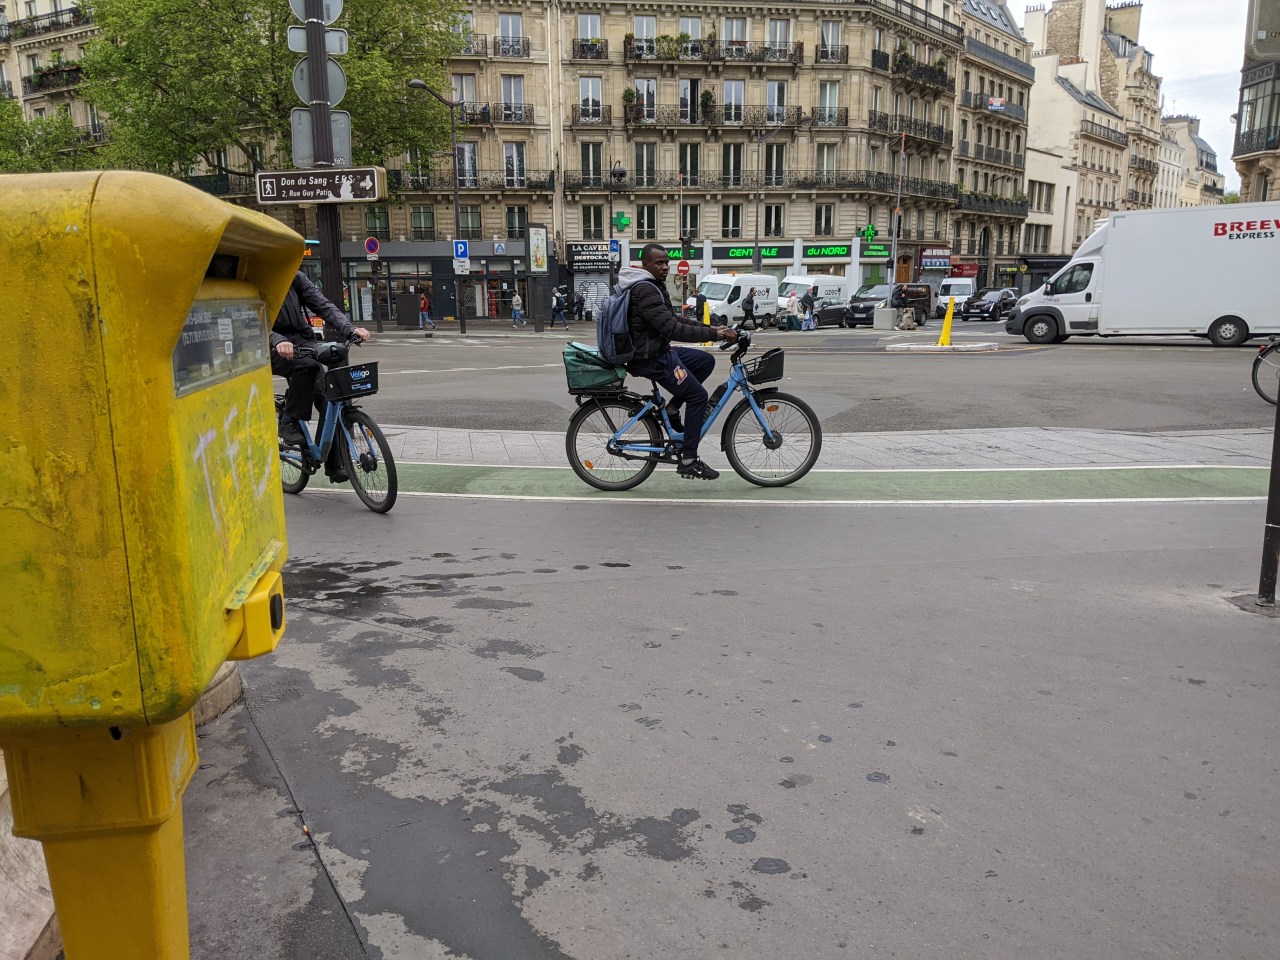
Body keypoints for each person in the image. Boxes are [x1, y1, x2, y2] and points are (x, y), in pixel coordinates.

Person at [620, 243, 738, 481]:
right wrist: (714, 335)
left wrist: (712, 328)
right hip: (650, 358)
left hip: (660, 351)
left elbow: (673, 319)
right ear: (645, 264)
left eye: (666, 262)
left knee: (704, 361)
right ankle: (688, 459)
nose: (665, 267)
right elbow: (672, 328)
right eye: (659, 263)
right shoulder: (645, 290)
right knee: (698, 396)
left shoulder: (653, 286)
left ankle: (673, 407)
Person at [271, 271, 370, 481]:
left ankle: (333, 464)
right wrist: (277, 340)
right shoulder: (256, 277)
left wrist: (349, 329)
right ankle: (289, 420)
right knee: (306, 366)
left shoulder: (294, 278)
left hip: (303, 344)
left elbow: (323, 305)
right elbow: (251, 318)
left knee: (328, 399)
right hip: (273, 347)